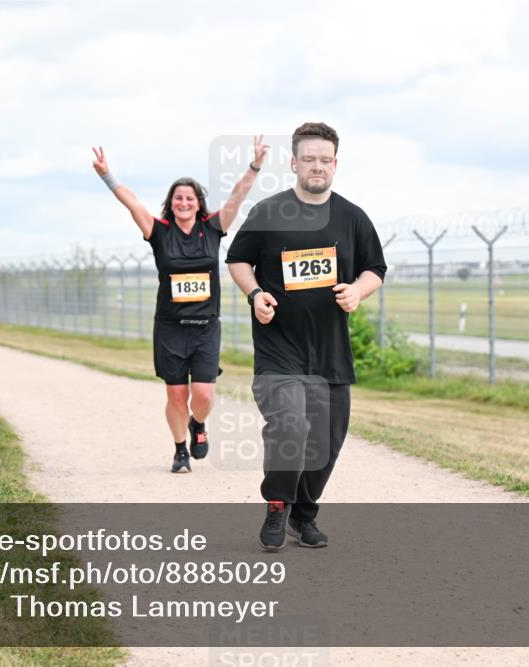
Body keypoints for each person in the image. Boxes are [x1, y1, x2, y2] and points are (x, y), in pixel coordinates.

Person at [226, 122, 386, 551]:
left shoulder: (352, 217)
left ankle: (303, 513)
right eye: (309, 159)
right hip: (279, 350)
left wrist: (357, 290)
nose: (318, 166)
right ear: (294, 163)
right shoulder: (269, 212)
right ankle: (277, 505)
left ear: (336, 164)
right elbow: (238, 260)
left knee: (327, 444)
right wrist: (255, 292)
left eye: (326, 159)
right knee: (291, 428)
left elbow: (376, 269)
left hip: (331, 354)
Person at [91, 137, 267, 473]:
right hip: (170, 328)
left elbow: (237, 196)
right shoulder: (159, 232)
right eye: (177, 198)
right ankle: (179, 450)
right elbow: (131, 203)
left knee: (202, 395)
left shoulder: (213, 227)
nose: (183, 202)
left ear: (198, 203)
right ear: (171, 204)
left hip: (205, 328)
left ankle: (197, 425)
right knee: (175, 396)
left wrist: (255, 165)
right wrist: (106, 175)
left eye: (189, 197)